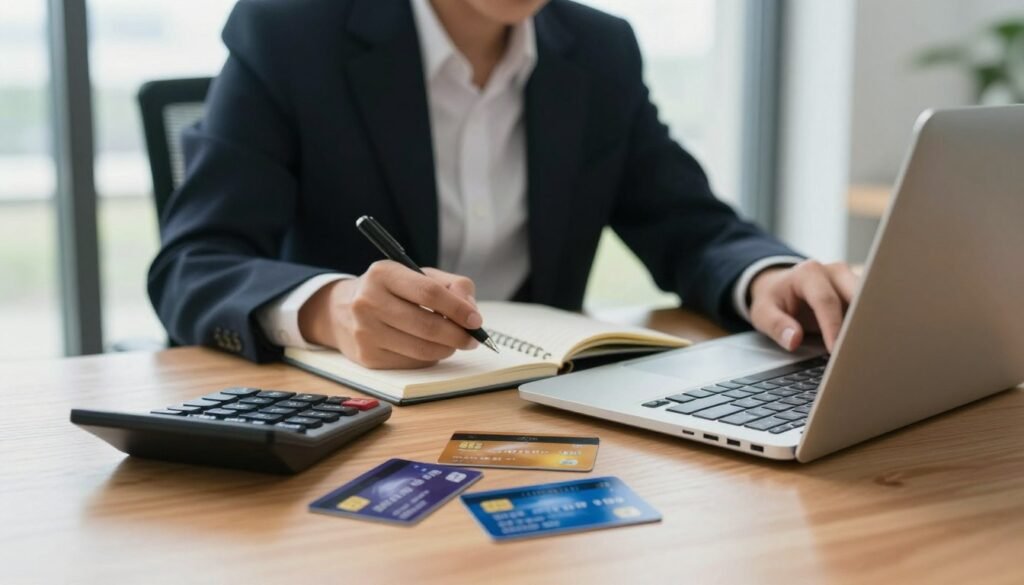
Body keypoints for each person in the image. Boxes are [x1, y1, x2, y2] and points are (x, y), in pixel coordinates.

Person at [149, 0, 858, 369]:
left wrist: (766, 277)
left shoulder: (600, 49)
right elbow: (192, 264)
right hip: (357, 431)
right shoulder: (288, 33)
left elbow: (690, 223)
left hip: (538, 417)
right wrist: (328, 309)